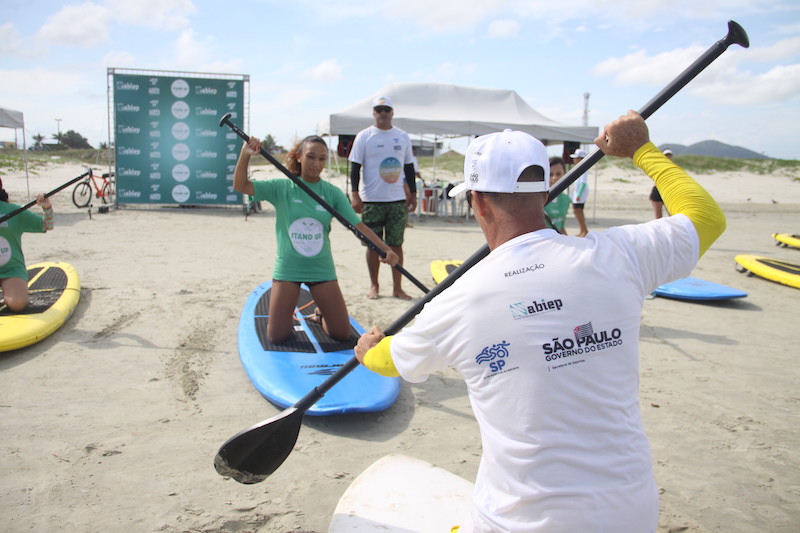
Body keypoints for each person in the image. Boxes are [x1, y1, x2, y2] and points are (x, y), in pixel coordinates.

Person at [354, 113, 725, 532]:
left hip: (518, 523)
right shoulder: (619, 254)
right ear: (546, 194)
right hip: (631, 514)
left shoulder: (457, 301)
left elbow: (393, 361)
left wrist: (369, 350)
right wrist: (642, 149)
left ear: (478, 203)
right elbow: (706, 218)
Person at [234, 134, 398, 344]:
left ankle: (320, 315)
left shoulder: (332, 193)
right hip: (288, 268)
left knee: (341, 334)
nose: (316, 164)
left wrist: (385, 249)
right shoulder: (282, 187)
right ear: (299, 157)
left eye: (322, 159)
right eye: (310, 157)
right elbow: (241, 186)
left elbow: (358, 226)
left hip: (321, 268)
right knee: (277, 336)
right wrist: (245, 154)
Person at [349, 96, 417, 300]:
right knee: (372, 246)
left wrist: (413, 194)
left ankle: (397, 288)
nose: (383, 113)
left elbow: (409, 167)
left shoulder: (402, 137)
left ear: (392, 113)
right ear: (373, 113)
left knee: (396, 245)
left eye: (386, 109)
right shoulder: (364, 136)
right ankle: (374, 285)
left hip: (396, 200)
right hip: (371, 200)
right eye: (379, 110)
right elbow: (355, 167)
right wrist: (355, 194)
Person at [0, 180, 54, 312]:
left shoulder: (13, 211)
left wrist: (47, 207)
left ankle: (10, 294)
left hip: (11, 270)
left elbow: (47, 225)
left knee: (17, 304)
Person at [543, 156, 570, 234]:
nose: (554, 178)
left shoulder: (565, 199)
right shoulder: (539, 199)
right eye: (550, 174)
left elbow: (561, 226)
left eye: (558, 174)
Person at [569, 148, 590, 236]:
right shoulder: (579, 168)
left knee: (577, 210)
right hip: (578, 192)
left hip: (580, 193)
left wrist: (578, 194)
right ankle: (583, 230)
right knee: (579, 210)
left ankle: (584, 230)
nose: (574, 160)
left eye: (576, 158)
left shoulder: (583, 168)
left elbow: (583, 183)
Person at [650, 148, 672, 218]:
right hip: (657, 191)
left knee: (672, 216)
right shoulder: (658, 165)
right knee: (658, 217)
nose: (668, 157)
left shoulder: (674, 167)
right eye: (666, 155)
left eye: (669, 155)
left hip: (669, 191)